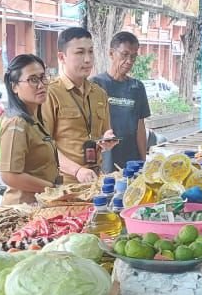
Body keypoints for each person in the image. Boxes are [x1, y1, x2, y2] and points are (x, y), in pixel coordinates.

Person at [44, 27, 116, 183]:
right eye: (80, 52)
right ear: (62, 57)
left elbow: (104, 133)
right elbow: (43, 146)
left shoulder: (99, 94)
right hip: (63, 185)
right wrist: (76, 170)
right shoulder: (50, 93)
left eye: (91, 52)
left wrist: (106, 140)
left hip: (95, 180)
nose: (88, 59)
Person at [0, 54, 61, 205]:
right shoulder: (16, 124)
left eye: (43, 77)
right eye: (33, 80)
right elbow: (9, 175)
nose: (41, 85)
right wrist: (52, 189)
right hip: (22, 209)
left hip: (40, 204)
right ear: (14, 86)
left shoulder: (36, 119)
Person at [91, 31, 151, 169]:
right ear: (111, 53)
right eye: (124, 55)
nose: (129, 61)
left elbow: (140, 127)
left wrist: (143, 161)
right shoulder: (95, 85)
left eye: (133, 56)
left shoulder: (137, 87)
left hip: (132, 160)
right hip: (105, 159)